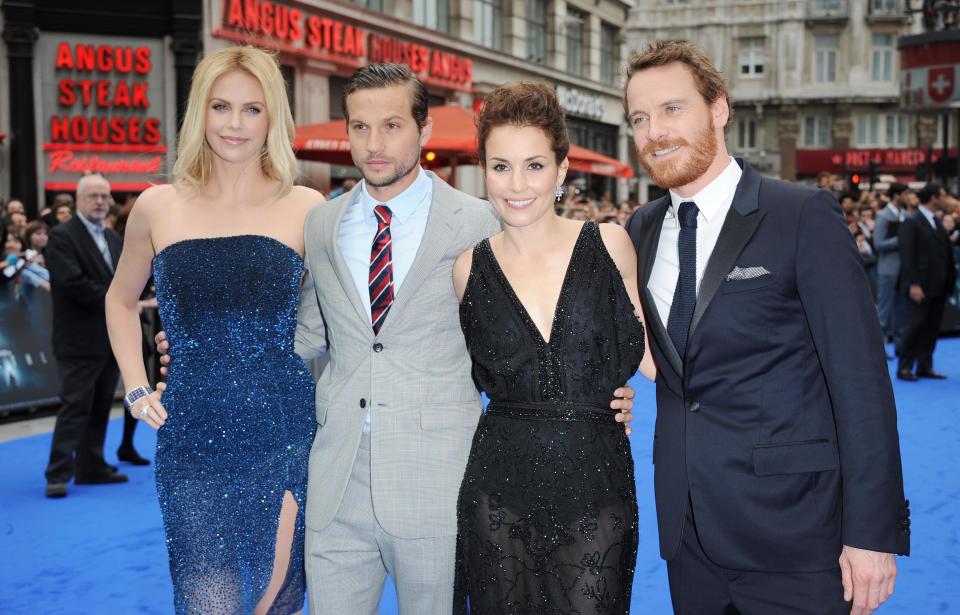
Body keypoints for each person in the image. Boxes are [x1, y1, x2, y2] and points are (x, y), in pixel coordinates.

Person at [286, 64, 636, 614]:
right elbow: (307, 332)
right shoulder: (322, 226)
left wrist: (597, 389)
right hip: (338, 480)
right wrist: (209, 353)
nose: (374, 144)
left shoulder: (483, 223)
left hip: (438, 478)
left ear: (424, 131)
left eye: (393, 125)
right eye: (359, 126)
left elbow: (551, 322)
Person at [623, 41, 908, 615]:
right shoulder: (641, 229)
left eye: (672, 109)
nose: (655, 131)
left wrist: (872, 533)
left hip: (796, 534)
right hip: (688, 536)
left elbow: (861, 383)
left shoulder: (801, 215)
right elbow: (658, 354)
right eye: (639, 118)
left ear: (719, 109)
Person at [105, 46, 322, 614]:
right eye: (221, 106)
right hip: (193, 434)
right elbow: (120, 299)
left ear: (273, 118)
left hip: (285, 428)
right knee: (208, 601)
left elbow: (334, 322)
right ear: (199, 111)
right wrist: (134, 386)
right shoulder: (156, 206)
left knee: (272, 602)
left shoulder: (306, 206)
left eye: (253, 109)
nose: (234, 124)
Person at [451, 82, 656, 613]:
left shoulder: (610, 244)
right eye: (500, 167)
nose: (517, 184)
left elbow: (658, 360)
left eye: (534, 165)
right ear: (483, 171)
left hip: (596, 482)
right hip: (498, 490)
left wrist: (619, 394)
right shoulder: (467, 269)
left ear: (562, 170)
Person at [43, 173, 127, 498]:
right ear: (78, 200)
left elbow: (126, 279)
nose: (100, 202)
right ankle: (58, 472)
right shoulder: (61, 237)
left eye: (105, 196)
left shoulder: (114, 239)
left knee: (102, 403)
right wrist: (121, 300)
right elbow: (72, 284)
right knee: (75, 405)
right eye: (93, 196)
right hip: (77, 339)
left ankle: (91, 467)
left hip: (110, 338)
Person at [896, 182, 956, 381]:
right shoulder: (912, 222)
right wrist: (913, 284)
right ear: (933, 198)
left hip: (938, 286)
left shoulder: (936, 221)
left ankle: (924, 366)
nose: (946, 199)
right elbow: (907, 257)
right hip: (920, 286)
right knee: (915, 326)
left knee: (931, 327)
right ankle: (904, 367)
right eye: (943, 195)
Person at [875, 184, 910, 351]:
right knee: (884, 311)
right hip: (888, 270)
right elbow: (878, 244)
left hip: (904, 270)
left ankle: (900, 346)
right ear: (896, 195)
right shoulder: (882, 216)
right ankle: (879, 348)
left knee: (902, 311)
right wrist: (901, 239)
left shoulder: (906, 215)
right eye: (905, 194)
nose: (908, 197)